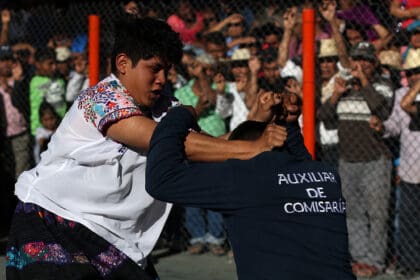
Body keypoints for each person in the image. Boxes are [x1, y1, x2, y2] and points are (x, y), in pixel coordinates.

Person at [6, 17, 292, 279]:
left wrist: (257, 122)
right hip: (52, 219)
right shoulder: (102, 98)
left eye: (167, 70)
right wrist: (255, 147)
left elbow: (212, 147)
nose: (163, 79)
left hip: (112, 239)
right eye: (154, 69)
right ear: (123, 64)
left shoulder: (165, 105)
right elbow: (169, 143)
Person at [145, 106, 355, 280]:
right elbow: (301, 162)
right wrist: (287, 124)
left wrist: (181, 113)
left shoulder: (245, 176)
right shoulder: (327, 176)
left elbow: (161, 180)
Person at [317, 41, 394, 277]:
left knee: (377, 213)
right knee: (352, 212)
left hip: (375, 160)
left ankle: (376, 261)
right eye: (356, 59)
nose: (360, 64)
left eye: (365, 60)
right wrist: (335, 95)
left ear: (374, 63)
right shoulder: (343, 86)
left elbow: (381, 110)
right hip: (347, 159)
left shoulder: (383, 86)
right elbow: (325, 118)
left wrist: (364, 82)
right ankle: (359, 257)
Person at [369, 49, 420, 276]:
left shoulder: (406, 99)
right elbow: (395, 125)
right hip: (411, 167)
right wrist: (383, 127)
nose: (412, 77)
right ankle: (409, 264)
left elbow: (408, 107)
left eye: (417, 72)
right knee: (408, 219)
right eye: (409, 73)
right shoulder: (400, 94)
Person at [29, 47, 66, 135]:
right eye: (50, 64)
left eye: (55, 63)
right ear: (38, 64)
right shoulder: (33, 82)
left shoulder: (60, 80)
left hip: (60, 127)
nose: (54, 67)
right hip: (41, 130)